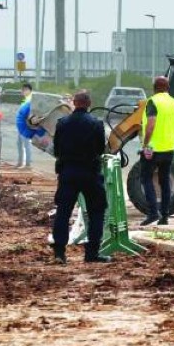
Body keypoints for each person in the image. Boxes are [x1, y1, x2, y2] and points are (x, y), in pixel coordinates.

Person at [50, 89, 109, 264]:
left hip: (68, 173)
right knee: (96, 212)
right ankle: (92, 253)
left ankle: (59, 253)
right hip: (90, 173)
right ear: (89, 104)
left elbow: (57, 149)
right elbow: (100, 149)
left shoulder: (62, 123)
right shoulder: (96, 124)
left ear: (74, 104)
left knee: (63, 212)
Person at [139, 75, 174, 226]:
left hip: (152, 149)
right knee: (164, 181)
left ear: (154, 88)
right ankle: (165, 216)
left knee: (146, 179)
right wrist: (173, 142)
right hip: (169, 149)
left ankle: (152, 213)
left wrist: (145, 144)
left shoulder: (153, 101)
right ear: (168, 88)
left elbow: (151, 125)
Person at [15, 83, 44, 168]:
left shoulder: (31, 99)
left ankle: (27, 164)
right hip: (22, 125)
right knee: (19, 143)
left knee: (26, 144)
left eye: (25, 90)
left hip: (27, 125)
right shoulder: (25, 100)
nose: (23, 91)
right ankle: (20, 162)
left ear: (29, 90)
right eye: (23, 90)